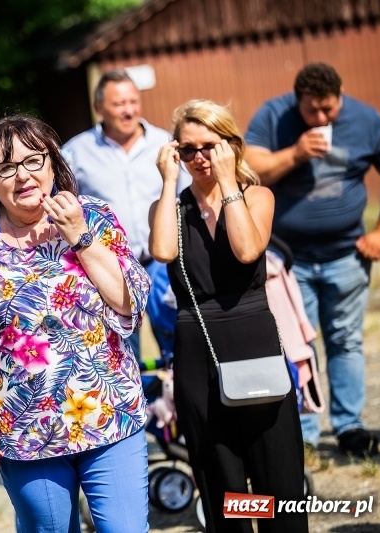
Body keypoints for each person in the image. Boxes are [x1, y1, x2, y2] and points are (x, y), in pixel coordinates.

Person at [0, 113, 151, 533]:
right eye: (6, 167)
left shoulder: (96, 217)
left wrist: (79, 235)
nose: (23, 176)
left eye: (34, 161)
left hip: (111, 415)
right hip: (23, 430)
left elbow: (130, 302)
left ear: (53, 163)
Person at [149, 99, 308, 533]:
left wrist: (226, 181)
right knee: (221, 475)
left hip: (252, 335)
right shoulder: (170, 207)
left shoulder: (257, 196)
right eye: (187, 149)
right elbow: (162, 251)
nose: (199, 157)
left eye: (209, 146)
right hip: (196, 343)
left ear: (230, 145)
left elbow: (247, 250)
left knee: (277, 473)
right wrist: (168, 181)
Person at [244, 62, 380, 457]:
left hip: (347, 254)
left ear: (341, 96)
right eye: (313, 110)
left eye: (330, 108)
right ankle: (302, 432)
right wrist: (296, 152)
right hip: (288, 260)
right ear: (298, 101)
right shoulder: (274, 116)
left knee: (345, 340)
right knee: (294, 344)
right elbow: (250, 170)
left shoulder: (367, 120)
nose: (322, 118)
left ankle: (349, 426)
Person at [62, 70, 191, 360]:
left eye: (133, 101)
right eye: (119, 104)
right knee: (121, 354)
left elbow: (186, 198)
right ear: (99, 107)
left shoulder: (165, 144)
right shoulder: (75, 153)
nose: (129, 110)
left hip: (162, 266)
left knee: (179, 349)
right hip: (109, 267)